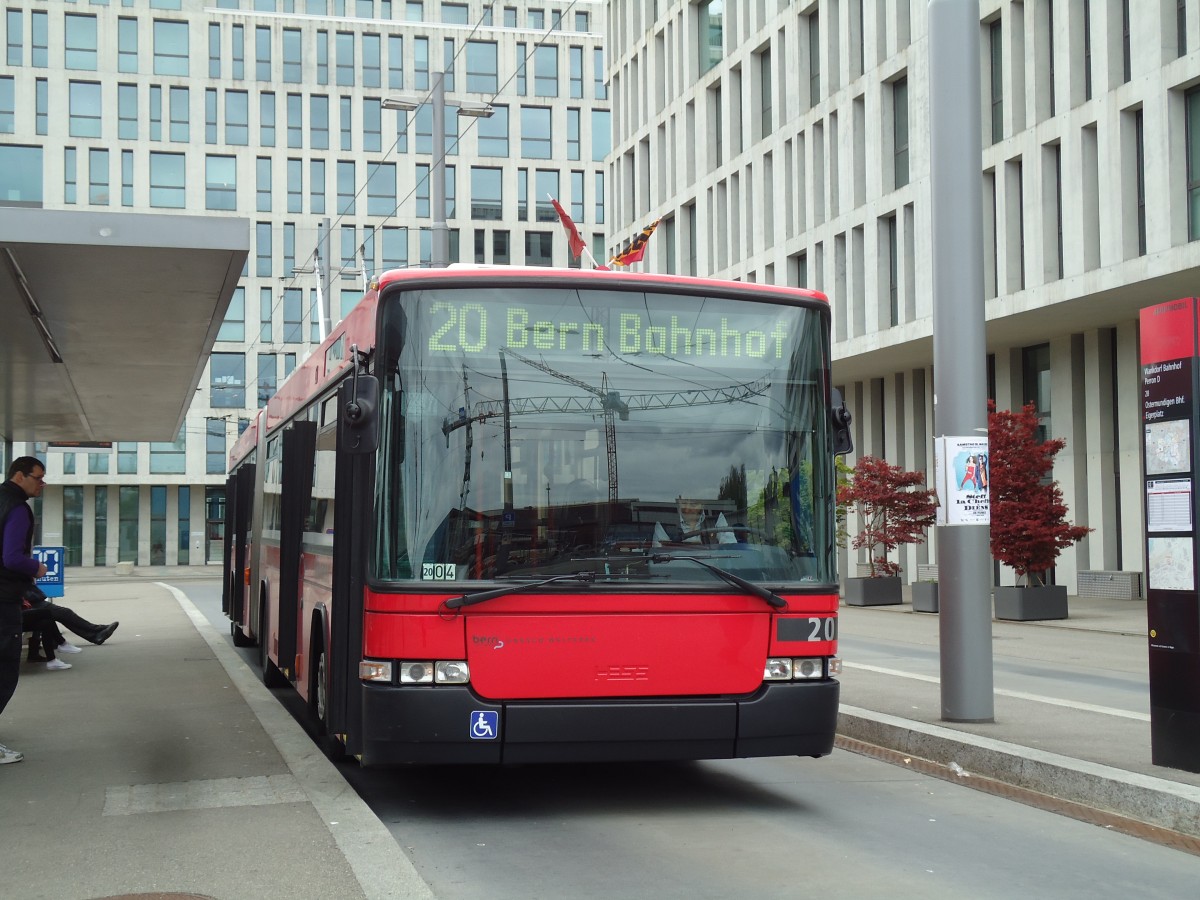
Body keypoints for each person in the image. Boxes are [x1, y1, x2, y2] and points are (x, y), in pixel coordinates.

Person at [0, 456, 49, 765]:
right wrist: (38, 567)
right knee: (5, 672)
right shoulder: (18, 508)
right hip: (3, 599)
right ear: (20, 476)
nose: (42, 483)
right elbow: (12, 558)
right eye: (38, 477)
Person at [21, 595, 118, 671]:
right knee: (55, 614)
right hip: (23, 606)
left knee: (48, 619)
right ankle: (63, 644)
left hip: (26, 603)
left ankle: (95, 633)